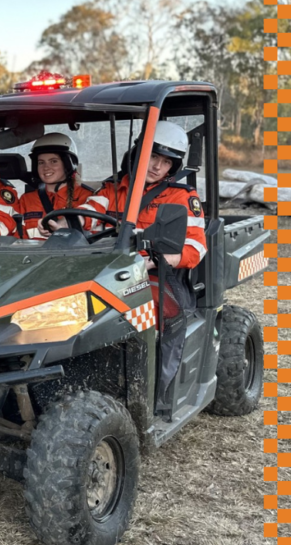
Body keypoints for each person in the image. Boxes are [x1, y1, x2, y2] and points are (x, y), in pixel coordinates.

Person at [74, 120, 205, 415]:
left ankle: (157, 396)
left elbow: (195, 248)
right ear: (138, 154)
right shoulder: (113, 188)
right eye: (152, 157)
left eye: (166, 161)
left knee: (166, 318)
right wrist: (67, 225)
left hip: (159, 277)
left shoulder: (182, 197)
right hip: (106, 272)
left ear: (174, 166)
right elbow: (87, 215)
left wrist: (153, 261)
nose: (157, 166)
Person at [17, 133, 94, 239]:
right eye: (41, 162)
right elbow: (18, 238)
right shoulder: (27, 200)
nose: (46, 167)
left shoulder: (88, 198)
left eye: (54, 161)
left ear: (68, 164)